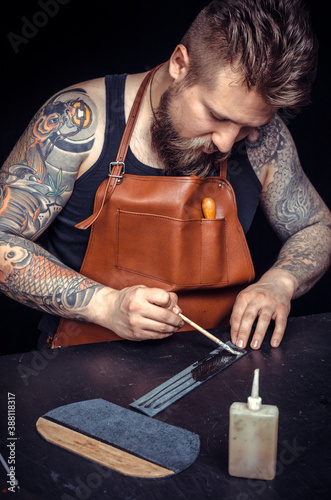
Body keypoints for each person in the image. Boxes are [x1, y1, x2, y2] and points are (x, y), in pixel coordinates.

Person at [0, 0, 330, 350]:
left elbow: (317, 226)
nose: (226, 142)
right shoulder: (78, 120)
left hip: (216, 368)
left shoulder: (266, 140)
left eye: (248, 125)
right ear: (179, 65)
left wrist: (282, 280)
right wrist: (105, 305)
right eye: (216, 116)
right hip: (80, 370)